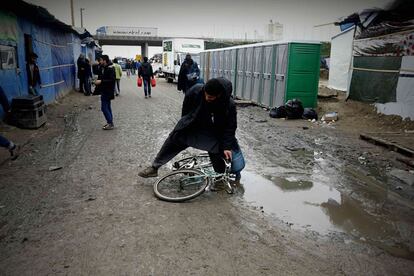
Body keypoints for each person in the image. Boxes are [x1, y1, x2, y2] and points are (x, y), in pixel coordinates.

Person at [138, 77, 243, 179]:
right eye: (206, 95)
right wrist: (185, 124)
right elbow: (186, 111)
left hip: (214, 130)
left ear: (219, 95)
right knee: (176, 137)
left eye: (210, 97)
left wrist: (227, 147)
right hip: (195, 123)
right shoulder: (195, 91)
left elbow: (230, 127)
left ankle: (221, 175)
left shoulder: (229, 104)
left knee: (219, 148)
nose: (207, 98)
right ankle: (154, 167)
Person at [94, 55, 116, 130]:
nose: (99, 61)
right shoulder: (103, 67)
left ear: (105, 60)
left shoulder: (110, 68)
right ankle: (110, 122)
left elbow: (112, 80)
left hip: (108, 90)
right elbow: (98, 73)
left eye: (100, 60)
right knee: (108, 107)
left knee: (104, 108)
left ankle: (110, 123)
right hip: (104, 90)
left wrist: (101, 81)